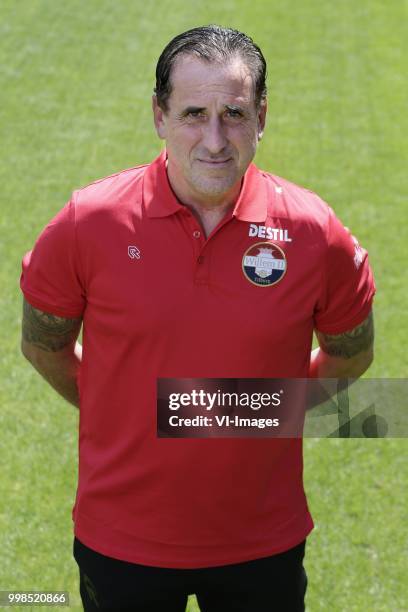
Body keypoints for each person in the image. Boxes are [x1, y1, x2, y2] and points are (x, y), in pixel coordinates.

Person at [20, 25, 375, 612]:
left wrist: (256, 414)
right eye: (192, 113)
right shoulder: (87, 223)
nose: (215, 140)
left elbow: (351, 354)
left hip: (262, 543)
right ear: (159, 115)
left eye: (234, 113)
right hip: (122, 543)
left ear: (262, 116)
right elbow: (43, 345)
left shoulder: (315, 233)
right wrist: (118, 407)